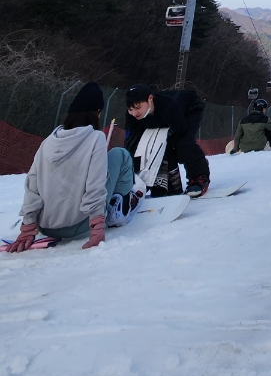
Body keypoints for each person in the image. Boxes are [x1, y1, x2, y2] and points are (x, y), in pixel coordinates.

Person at [5, 82, 141, 253]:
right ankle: (119, 205)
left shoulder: (48, 142)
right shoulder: (95, 138)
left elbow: (32, 185)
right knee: (120, 154)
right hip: (79, 224)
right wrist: (97, 227)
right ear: (97, 113)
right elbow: (95, 182)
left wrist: (28, 227)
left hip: (45, 227)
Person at [125, 83, 210, 198]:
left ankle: (199, 177)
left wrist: (171, 152)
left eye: (138, 107)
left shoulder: (169, 107)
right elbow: (132, 142)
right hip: (165, 120)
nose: (134, 113)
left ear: (150, 99)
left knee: (184, 145)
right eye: (131, 109)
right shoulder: (132, 117)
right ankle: (167, 185)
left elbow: (181, 131)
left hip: (189, 109)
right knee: (150, 148)